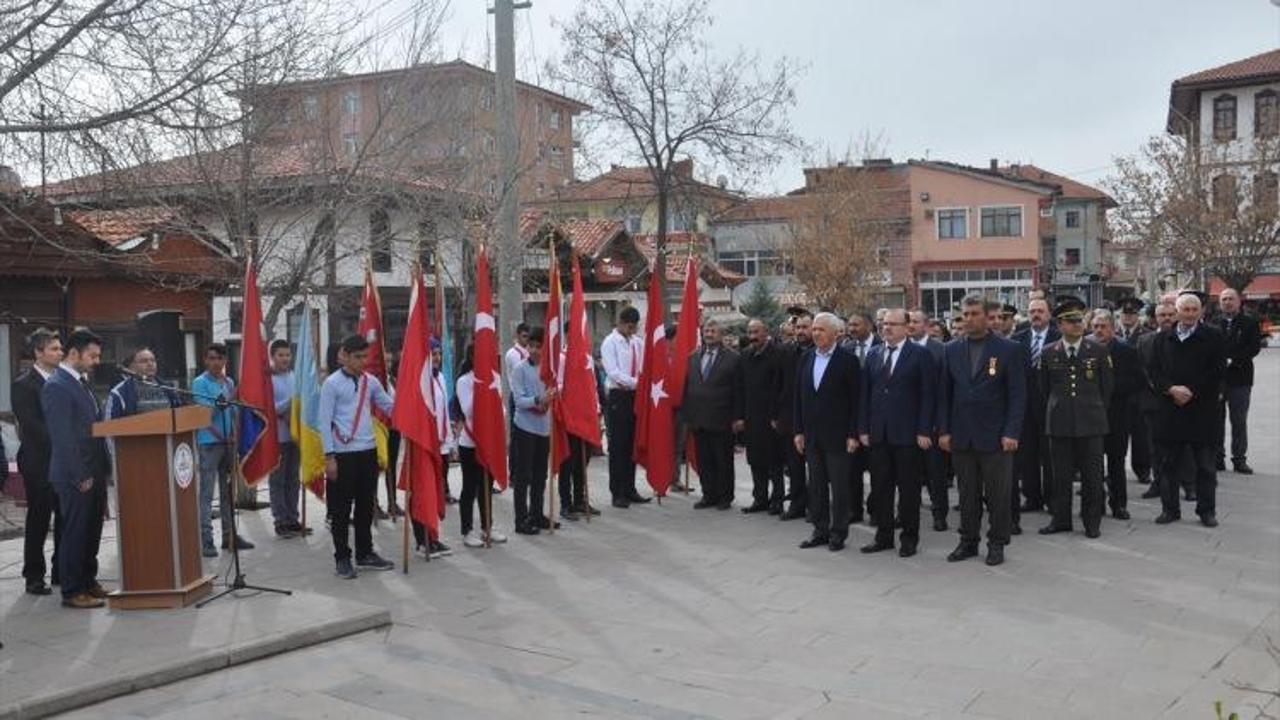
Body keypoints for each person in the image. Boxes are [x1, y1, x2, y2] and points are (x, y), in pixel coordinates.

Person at [938, 294, 1026, 566]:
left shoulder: (1008, 349)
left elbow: (1017, 395)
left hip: (996, 436)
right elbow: (944, 394)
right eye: (965, 314)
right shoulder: (950, 349)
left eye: (974, 313)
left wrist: (1011, 432)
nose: (968, 318)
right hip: (962, 435)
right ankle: (968, 541)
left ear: (987, 317)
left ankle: (997, 542)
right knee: (967, 493)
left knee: (998, 494)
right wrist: (943, 430)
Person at [40, 328, 112, 608]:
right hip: (75, 474)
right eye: (92, 356)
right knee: (75, 531)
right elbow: (62, 437)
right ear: (74, 354)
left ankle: (88, 580)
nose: (96, 361)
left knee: (92, 529)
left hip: (94, 470)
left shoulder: (81, 382)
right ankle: (72, 590)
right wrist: (79, 474)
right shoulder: (57, 386)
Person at [858, 309, 936, 558]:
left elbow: (928, 396)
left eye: (892, 324)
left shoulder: (920, 355)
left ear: (906, 327)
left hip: (908, 435)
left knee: (909, 490)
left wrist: (924, 429)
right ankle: (883, 536)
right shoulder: (874, 354)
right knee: (881, 488)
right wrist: (863, 428)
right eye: (883, 324)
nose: (886, 328)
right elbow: (865, 396)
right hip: (879, 434)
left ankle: (909, 539)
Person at [319, 334, 397, 578]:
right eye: (357, 357)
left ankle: (365, 553)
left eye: (365, 357)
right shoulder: (331, 384)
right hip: (342, 454)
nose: (362, 361)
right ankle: (342, 557)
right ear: (344, 355)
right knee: (341, 510)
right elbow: (323, 421)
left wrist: (411, 406)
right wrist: (329, 456)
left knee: (365, 506)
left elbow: (388, 406)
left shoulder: (370, 382)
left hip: (367, 451)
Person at [1149, 292, 1226, 527]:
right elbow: (1153, 372)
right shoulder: (1162, 339)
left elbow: (1217, 371)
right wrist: (1171, 389)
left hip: (1202, 411)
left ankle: (1206, 511)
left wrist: (1191, 391)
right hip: (1171, 410)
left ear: (1201, 311)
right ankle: (1170, 509)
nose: (1190, 314)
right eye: (1186, 309)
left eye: (1195, 309)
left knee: (1205, 466)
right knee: (1168, 464)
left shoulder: (1213, 336)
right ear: (1177, 311)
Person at [1038, 298, 1113, 539]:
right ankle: (1061, 520)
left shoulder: (1098, 350)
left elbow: (1107, 389)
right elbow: (1044, 389)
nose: (1077, 325)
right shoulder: (1049, 352)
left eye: (1079, 320)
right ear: (1060, 325)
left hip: (1091, 423)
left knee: (1092, 478)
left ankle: (1092, 522)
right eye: (1071, 322)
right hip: (1060, 424)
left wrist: (1094, 411)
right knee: (1060, 477)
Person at [793, 312, 861, 552]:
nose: (816, 333)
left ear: (835, 333)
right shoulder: (806, 358)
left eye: (821, 329)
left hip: (838, 436)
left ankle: (838, 532)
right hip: (812, 436)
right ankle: (819, 530)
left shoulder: (848, 361)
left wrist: (853, 433)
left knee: (840, 487)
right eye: (814, 329)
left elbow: (856, 401)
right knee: (817, 485)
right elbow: (799, 397)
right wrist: (798, 430)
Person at [13, 328, 62, 596]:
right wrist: (63, 441)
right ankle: (33, 575)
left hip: (65, 460)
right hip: (38, 461)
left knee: (65, 516)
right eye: (53, 349)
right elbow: (32, 426)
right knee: (39, 519)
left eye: (59, 348)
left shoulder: (64, 381)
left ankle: (61, 570)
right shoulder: (24, 384)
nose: (59, 353)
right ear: (38, 353)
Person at [192, 343, 253, 557]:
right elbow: (204, 412)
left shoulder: (229, 382)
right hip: (209, 443)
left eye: (219, 358)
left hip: (228, 443)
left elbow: (234, 411)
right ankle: (206, 540)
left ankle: (229, 536)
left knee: (228, 492)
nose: (215, 362)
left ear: (225, 360)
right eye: (211, 358)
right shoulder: (199, 383)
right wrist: (225, 402)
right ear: (206, 360)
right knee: (207, 494)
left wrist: (235, 434)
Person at [682, 318, 745, 511]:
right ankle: (708, 495)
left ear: (721, 334)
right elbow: (688, 388)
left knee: (723, 460)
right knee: (704, 461)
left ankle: (725, 497)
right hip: (699, 419)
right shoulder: (692, 357)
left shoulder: (734, 358)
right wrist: (688, 416)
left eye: (713, 331)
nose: (709, 334)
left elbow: (740, 390)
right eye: (706, 331)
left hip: (722, 419)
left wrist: (738, 417)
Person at [1091, 310, 1145, 521]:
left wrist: (1110, 388)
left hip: (1117, 415)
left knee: (1115, 462)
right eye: (1095, 326)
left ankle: (1119, 504)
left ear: (1112, 329)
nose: (1099, 331)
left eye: (1103, 326)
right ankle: (1096, 504)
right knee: (1093, 463)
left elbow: (1138, 381)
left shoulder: (1125, 350)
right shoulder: (1086, 349)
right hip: (1092, 416)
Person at [453, 346, 507, 547]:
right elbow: (468, 410)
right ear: (472, 358)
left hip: (489, 441)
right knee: (469, 487)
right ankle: (466, 530)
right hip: (470, 441)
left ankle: (488, 527)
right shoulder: (464, 381)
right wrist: (480, 388)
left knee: (486, 485)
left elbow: (500, 408)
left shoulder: (495, 377)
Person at [1010, 298, 1060, 514]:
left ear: (1049, 314)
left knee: (1050, 456)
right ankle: (1032, 497)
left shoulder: (1059, 338)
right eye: (1032, 311)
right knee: (1027, 455)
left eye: (1040, 311)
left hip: (1051, 406)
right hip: (1025, 406)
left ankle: (1052, 498)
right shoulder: (1018, 339)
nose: (1036, 315)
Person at [412, 338, 458, 557]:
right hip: (424, 446)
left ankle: (433, 537)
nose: (437, 358)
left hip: (440, 445)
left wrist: (449, 442)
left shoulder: (440, 378)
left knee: (436, 491)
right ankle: (422, 540)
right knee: (422, 490)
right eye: (433, 354)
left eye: (439, 353)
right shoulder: (418, 381)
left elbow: (445, 413)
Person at [509, 327, 558, 534]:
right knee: (523, 476)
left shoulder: (549, 369)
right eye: (532, 346)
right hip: (525, 427)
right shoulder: (520, 369)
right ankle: (521, 519)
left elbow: (556, 390)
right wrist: (538, 400)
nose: (536, 350)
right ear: (527, 346)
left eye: (540, 346)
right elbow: (518, 401)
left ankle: (537, 514)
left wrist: (553, 396)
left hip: (543, 428)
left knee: (540, 475)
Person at [601, 306, 649, 507]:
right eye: (629, 326)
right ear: (620, 323)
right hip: (619, 397)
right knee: (618, 445)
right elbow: (613, 373)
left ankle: (630, 488)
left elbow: (644, 367)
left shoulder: (638, 342)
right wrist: (638, 383)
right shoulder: (610, 342)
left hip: (636, 397)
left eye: (634, 327)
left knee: (632, 444)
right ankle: (617, 491)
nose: (631, 330)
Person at [1213, 288, 1263, 475]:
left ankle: (1239, 459)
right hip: (1217, 379)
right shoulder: (1213, 323)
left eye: (1231, 299)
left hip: (1240, 378)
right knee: (1216, 420)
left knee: (1239, 420)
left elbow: (1254, 347)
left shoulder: (1249, 323)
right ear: (1220, 303)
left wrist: (1234, 360)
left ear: (1239, 301)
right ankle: (1218, 457)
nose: (1227, 302)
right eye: (1224, 299)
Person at [739, 318, 786, 514]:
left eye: (756, 332)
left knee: (774, 462)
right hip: (751, 418)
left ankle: (777, 501)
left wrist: (777, 416)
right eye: (750, 332)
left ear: (766, 332)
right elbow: (740, 388)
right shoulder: (745, 355)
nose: (753, 337)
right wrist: (740, 416)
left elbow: (781, 387)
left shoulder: (778, 354)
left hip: (771, 419)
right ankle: (760, 499)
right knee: (755, 461)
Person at [907, 310, 949, 531]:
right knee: (908, 474)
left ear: (926, 325)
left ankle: (939, 513)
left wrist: (942, 427)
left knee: (936, 475)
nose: (911, 325)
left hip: (933, 424)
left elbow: (943, 392)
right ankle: (907, 513)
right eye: (908, 321)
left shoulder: (940, 350)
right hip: (907, 424)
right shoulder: (902, 349)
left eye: (915, 321)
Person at [1137, 301, 1177, 501]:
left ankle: (1187, 484)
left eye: (1170, 314)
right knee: (1154, 446)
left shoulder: (1183, 338)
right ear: (1156, 318)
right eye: (1162, 315)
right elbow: (1141, 368)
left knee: (1181, 445)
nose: (1167, 318)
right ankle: (1158, 482)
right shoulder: (1145, 340)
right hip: (1152, 400)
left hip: (1179, 400)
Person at [841, 311, 878, 523]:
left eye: (856, 325)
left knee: (877, 471)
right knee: (852, 470)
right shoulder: (846, 349)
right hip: (852, 419)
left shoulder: (882, 346)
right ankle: (854, 510)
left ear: (869, 326)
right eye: (850, 325)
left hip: (876, 419)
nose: (852, 329)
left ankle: (875, 509)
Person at [774, 311, 811, 520]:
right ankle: (797, 505)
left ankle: (816, 507)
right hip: (789, 418)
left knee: (816, 469)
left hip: (815, 420)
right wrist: (775, 414)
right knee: (794, 466)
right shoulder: (785, 352)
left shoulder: (820, 352)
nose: (801, 332)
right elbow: (776, 385)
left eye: (805, 328)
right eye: (798, 328)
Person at [268, 339, 304, 538]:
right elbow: (268, 409)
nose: (285, 359)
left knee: (293, 479)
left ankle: (293, 518)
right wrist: (290, 402)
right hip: (278, 437)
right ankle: (280, 520)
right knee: (278, 480)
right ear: (272, 357)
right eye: (280, 355)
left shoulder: (295, 377)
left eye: (287, 355)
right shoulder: (268, 380)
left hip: (296, 436)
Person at [106, 346, 181, 418]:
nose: (150, 364)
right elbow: (109, 425)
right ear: (132, 366)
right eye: (144, 361)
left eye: (153, 360)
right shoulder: (120, 392)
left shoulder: (168, 388)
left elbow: (180, 413)